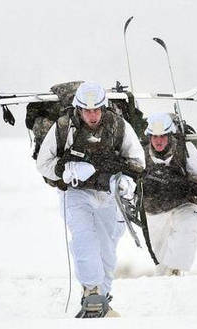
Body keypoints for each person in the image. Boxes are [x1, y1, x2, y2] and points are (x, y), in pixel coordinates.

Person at [36, 81, 145, 318]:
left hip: (109, 194)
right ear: (78, 109)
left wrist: (126, 181)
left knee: (107, 248)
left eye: (97, 110)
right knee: (84, 239)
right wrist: (65, 171)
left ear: (104, 108)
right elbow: (43, 163)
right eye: (87, 110)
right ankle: (91, 292)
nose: (92, 115)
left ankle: (101, 298)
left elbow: (137, 160)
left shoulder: (118, 125)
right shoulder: (63, 127)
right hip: (75, 193)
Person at [142, 112, 197, 276]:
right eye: (154, 137)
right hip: (153, 209)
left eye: (162, 136)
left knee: (187, 231)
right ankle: (164, 285)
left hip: (183, 203)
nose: (158, 141)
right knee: (160, 258)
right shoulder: (141, 153)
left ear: (169, 135)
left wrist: (188, 187)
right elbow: (128, 183)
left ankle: (176, 271)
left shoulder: (185, 149)